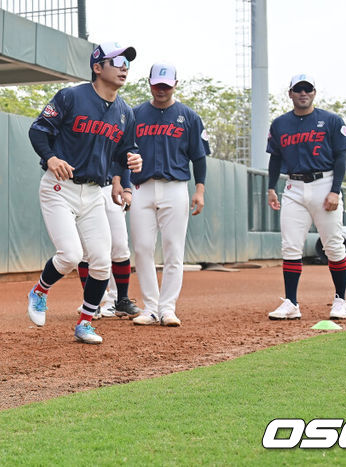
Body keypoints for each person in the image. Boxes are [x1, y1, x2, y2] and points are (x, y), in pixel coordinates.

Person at [26, 42, 143, 345]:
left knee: (102, 261)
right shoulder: (71, 96)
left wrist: (129, 168)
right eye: (116, 61)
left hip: (94, 193)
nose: (124, 67)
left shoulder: (125, 113)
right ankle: (39, 291)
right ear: (97, 67)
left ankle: (86, 322)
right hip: (58, 187)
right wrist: (50, 157)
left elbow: (125, 151)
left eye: (126, 63)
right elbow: (39, 129)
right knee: (71, 255)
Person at [126, 63, 210, 327]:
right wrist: (122, 183)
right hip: (141, 188)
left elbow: (199, 157)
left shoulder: (189, 116)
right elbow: (122, 152)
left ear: (175, 84)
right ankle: (150, 307)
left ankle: (168, 308)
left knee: (174, 250)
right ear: (149, 83)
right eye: (157, 84)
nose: (161, 90)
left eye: (166, 85)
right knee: (142, 249)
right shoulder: (135, 114)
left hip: (175, 187)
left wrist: (200, 190)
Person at [266, 74, 346, 321]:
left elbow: (341, 158)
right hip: (293, 186)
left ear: (314, 92)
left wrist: (335, 190)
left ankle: (340, 300)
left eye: (307, 89)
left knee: (333, 245)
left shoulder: (331, 120)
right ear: (290, 93)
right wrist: (271, 187)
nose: (303, 93)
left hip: (324, 183)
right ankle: (291, 303)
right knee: (290, 245)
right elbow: (276, 158)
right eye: (298, 89)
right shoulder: (280, 124)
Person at [75, 170, 140, 320]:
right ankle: (91, 303)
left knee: (120, 247)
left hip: (110, 186)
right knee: (86, 252)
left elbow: (121, 156)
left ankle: (121, 300)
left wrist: (127, 188)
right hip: (85, 187)